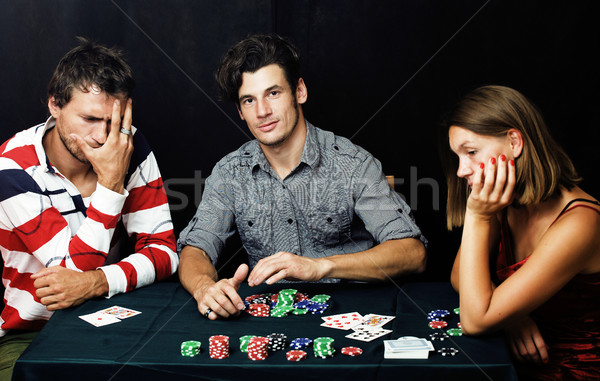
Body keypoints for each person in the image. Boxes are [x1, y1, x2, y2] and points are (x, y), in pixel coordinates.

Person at [178, 33, 427, 321]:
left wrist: (321, 266)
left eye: (273, 93)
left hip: (351, 314)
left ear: (299, 91)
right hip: (268, 321)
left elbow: (413, 253)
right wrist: (203, 287)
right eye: (249, 100)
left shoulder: (352, 164)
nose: (262, 112)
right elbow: (196, 249)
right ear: (240, 112)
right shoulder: (229, 174)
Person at [0, 38, 178, 379]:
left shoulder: (129, 142)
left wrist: (98, 282)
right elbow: (72, 271)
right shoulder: (13, 167)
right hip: (29, 333)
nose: (103, 137)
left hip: (113, 315)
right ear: (55, 104)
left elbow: (165, 252)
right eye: (90, 119)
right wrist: (111, 184)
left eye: (114, 121)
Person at [442, 85, 600, 380]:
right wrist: (511, 317)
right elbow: (457, 275)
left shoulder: (581, 223)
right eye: (458, 158)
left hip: (572, 371)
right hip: (512, 362)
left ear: (514, 142)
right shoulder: (507, 203)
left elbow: (476, 321)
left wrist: (477, 215)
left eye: (472, 152)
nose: (462, 170)